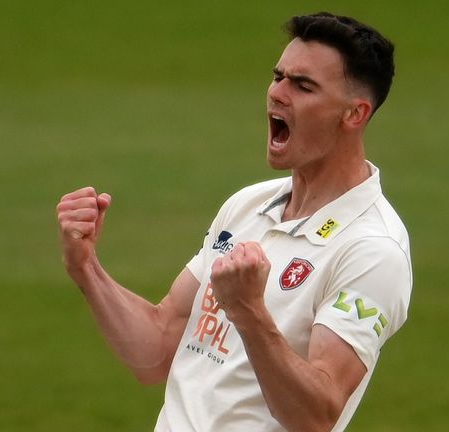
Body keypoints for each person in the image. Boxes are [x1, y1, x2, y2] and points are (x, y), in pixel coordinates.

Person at [56, 12, 412, 432]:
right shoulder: (248, 206)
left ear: (354, 114)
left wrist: (248, 311)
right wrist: (87, 268)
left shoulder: (373, 249)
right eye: (278, 76)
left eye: (303, 86)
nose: (277, 94)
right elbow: (157, 348)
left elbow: (316, 415)